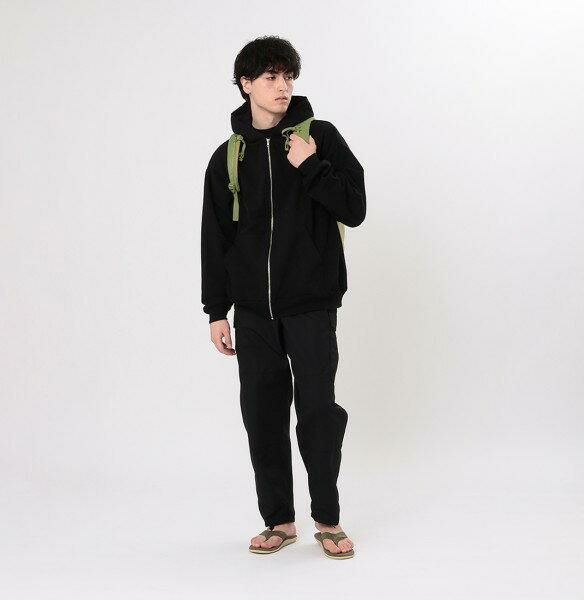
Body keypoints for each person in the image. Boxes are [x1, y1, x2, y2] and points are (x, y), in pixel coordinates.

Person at [200, 35, 366, 558]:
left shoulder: (321, 138)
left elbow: (355, 208)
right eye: (271, 77)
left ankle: (327, 519)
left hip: (312, 304)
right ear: (246, 84)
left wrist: (312, 166)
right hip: (253, 313)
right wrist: (216, 311)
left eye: (289, 76)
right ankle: (279, 520)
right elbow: (215, 239)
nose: (283, 86)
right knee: (262, 416)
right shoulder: (229, 157)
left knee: (318, 414)